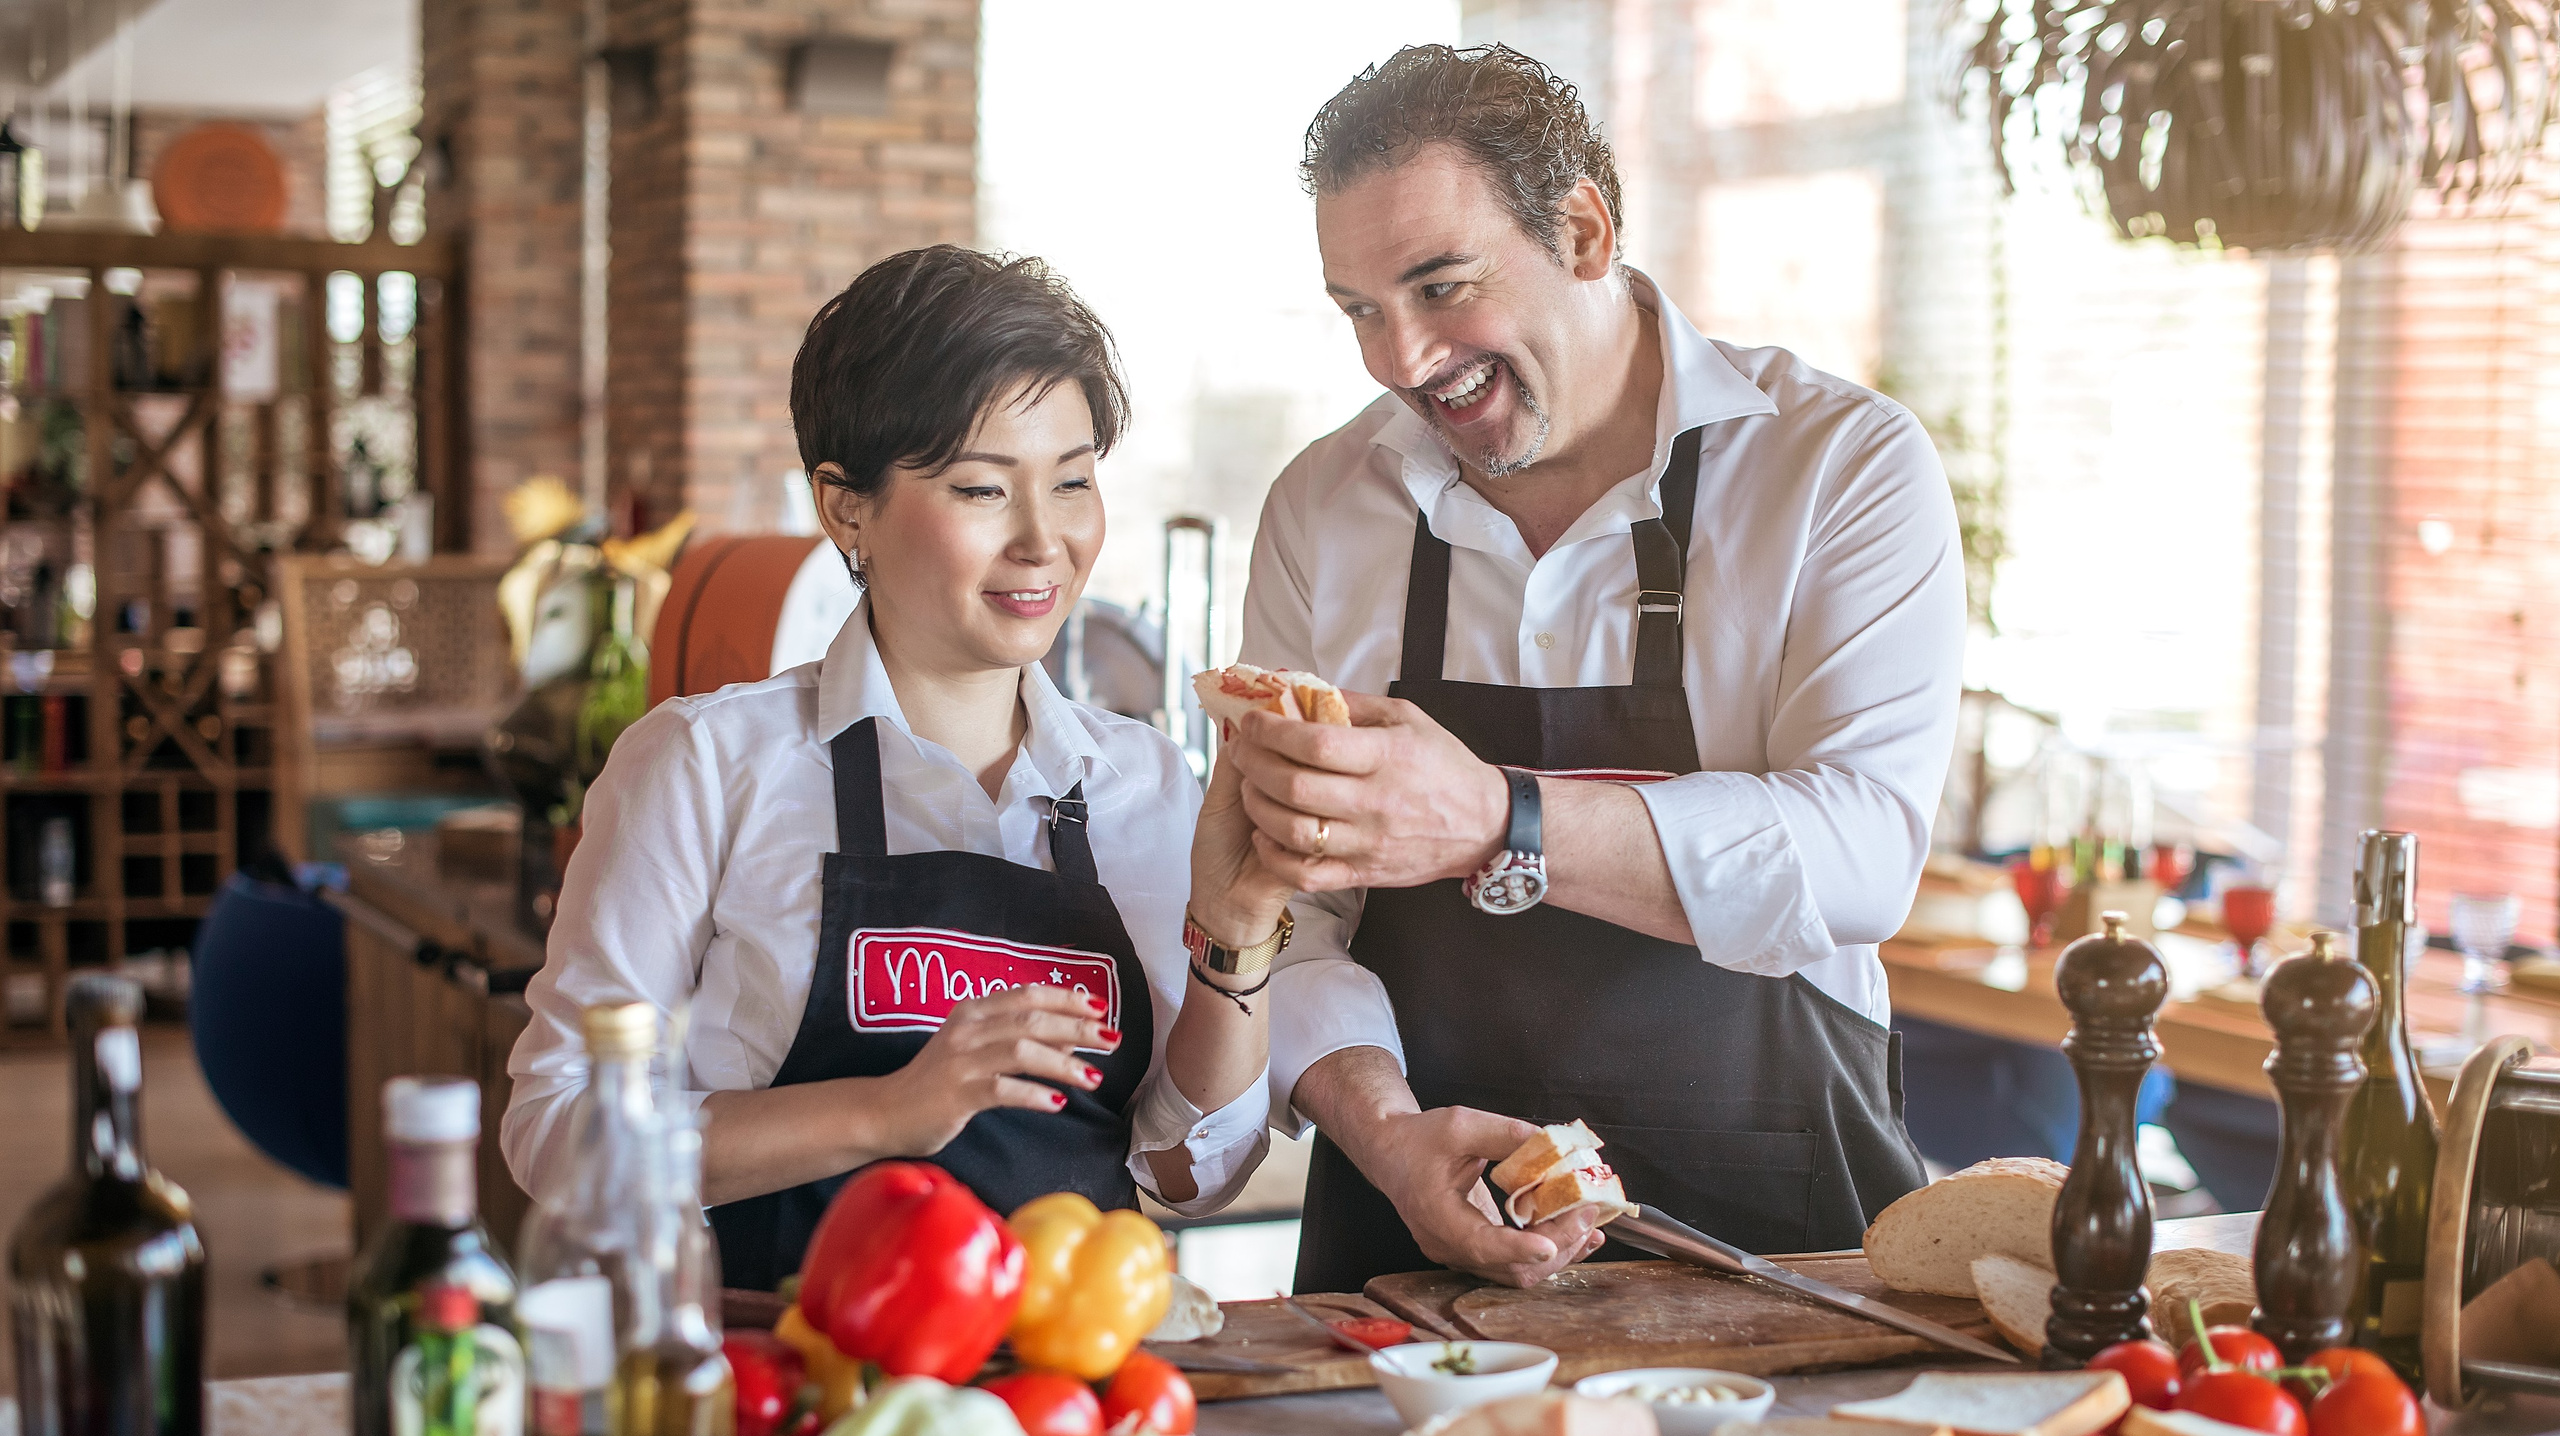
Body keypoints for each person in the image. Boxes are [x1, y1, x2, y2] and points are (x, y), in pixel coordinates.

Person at [1229, 46, 1964, 1293]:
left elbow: (1862, 855)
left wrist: (1492, 819)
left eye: (1439, 286)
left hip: (1776, 1237)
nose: (1401, 358)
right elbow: (1288, 908)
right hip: (1413, 1250)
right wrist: (1390, 1138)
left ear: (1581, 230)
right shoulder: (1323, 505)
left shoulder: (1839, 470)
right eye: (1358, 308)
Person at [503, 245, 1291, 1289]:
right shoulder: (706, 764)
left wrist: (1234, 943)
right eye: (979, 488)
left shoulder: (1143, 783)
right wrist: (887, 1111)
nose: (1043, 540)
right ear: (845, 508)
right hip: (797, 1386)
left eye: (1072, 482)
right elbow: (560, 1132)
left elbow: (1191, 1174)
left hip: (1071, 1393)